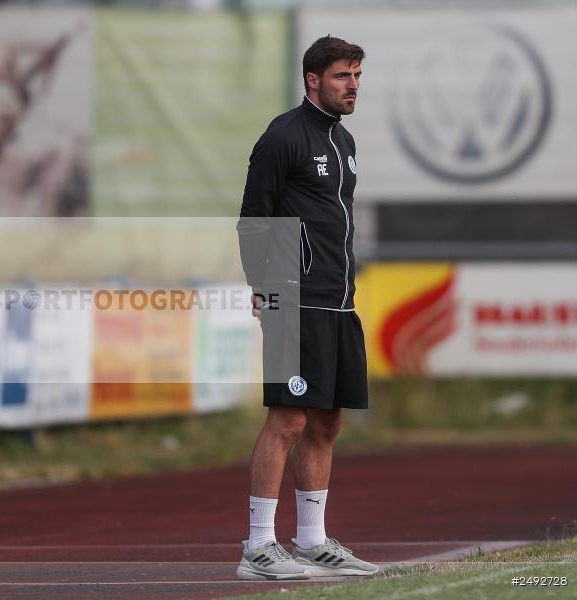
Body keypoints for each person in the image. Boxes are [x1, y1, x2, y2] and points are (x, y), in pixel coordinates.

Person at [235, 36, 378, 580]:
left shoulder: (345, 143)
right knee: (288, 418)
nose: (353, 86)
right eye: (343, 76)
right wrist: (265, 286)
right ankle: (257, 548)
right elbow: (255, 217)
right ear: (313, 79)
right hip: (293, 300)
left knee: (327, 420)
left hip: (339, 303)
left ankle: (313, 541)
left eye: (358, 76)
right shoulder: (282, 138)